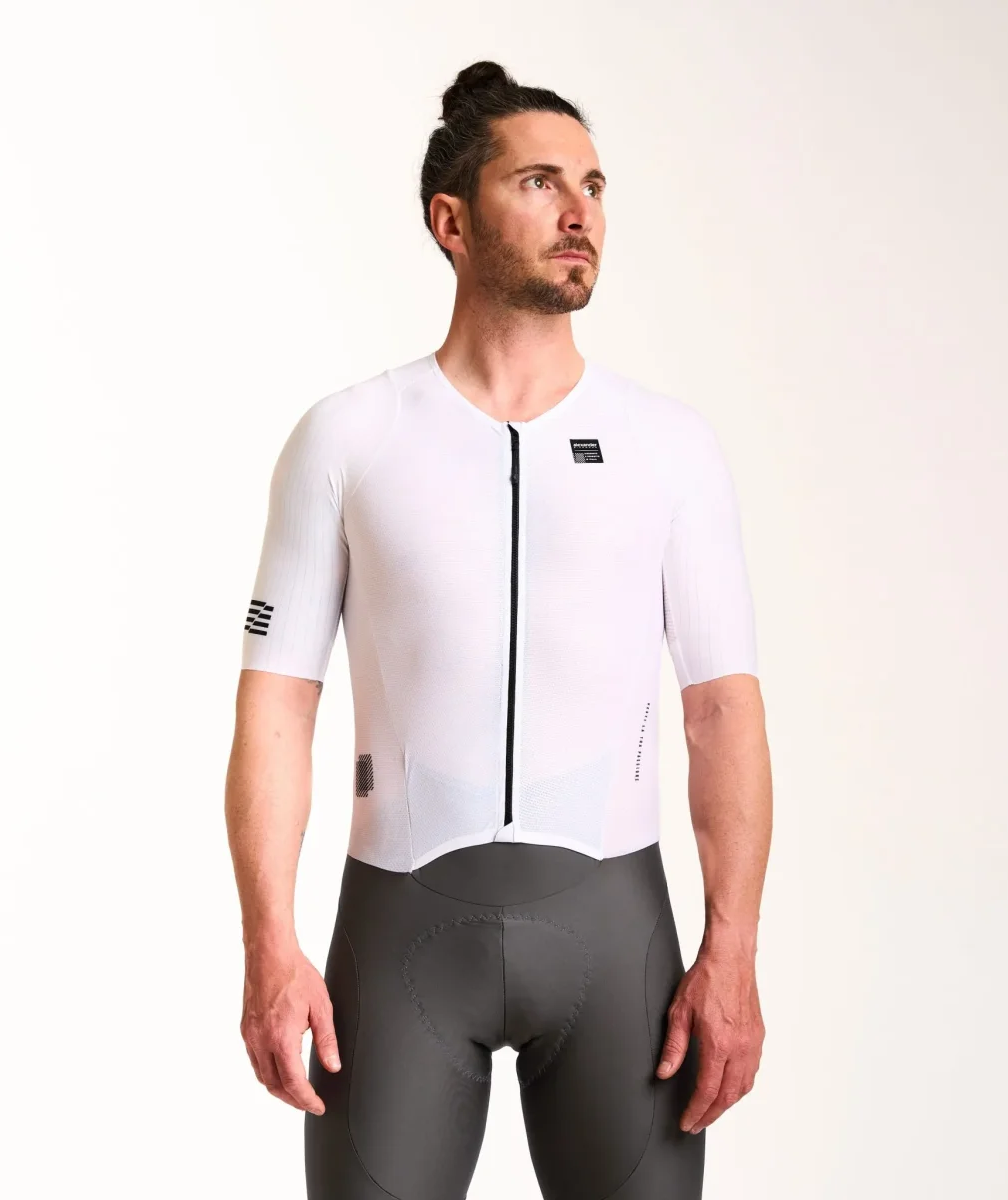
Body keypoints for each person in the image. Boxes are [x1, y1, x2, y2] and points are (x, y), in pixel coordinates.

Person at [225, 59, 772, 1200]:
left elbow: (723, 712)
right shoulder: (349, 438)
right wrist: (270, 945)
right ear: (452, 221)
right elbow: (276, 704)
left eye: (594, 185)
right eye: (539, 182)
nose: (581, 212)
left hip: (618, 946)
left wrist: (733, 950)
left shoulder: (670, 448)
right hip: (401, 942)